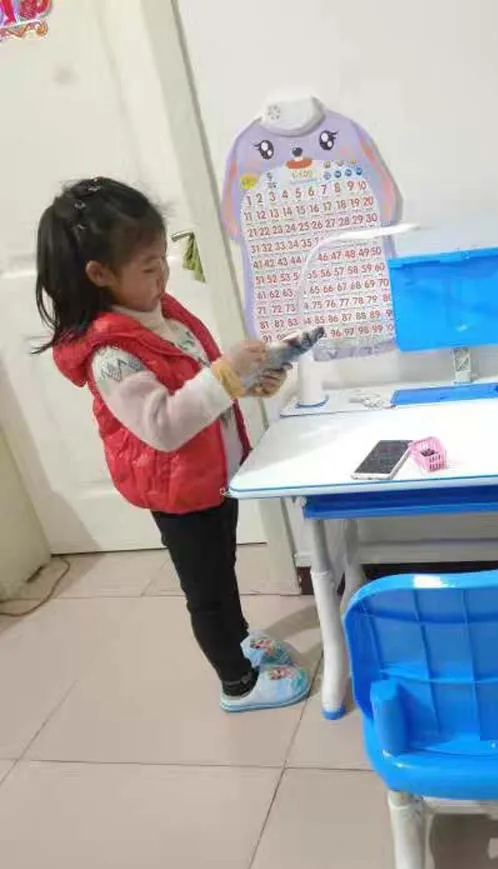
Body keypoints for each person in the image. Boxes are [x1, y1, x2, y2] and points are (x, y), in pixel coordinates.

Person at [34, 177, 311, 713]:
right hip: (180, 496)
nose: (162, 272)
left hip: (214, 479)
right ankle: (237, 684)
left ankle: (241, 643)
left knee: (223, 571)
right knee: (207, 592)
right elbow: (163, 424)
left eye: (162, 258)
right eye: (148, 265)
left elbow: (198, 382)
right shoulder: (110, 355)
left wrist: (249, 380)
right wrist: (227, 377)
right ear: (100, 275)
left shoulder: (163, 313)